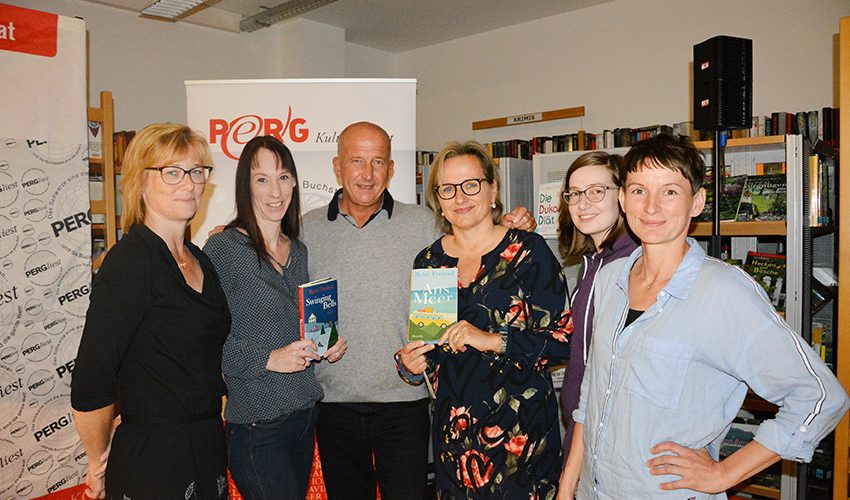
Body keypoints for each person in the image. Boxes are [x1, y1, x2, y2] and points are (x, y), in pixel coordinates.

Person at [558, 133, 850, 499]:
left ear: (696, 202)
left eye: (669, 192)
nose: (651, 207)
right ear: (623, 200)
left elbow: (820, 396)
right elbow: (591, 395)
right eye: (638, 191)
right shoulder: (610, 279)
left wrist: (723, 474)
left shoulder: (724, 292)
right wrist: (568, 485)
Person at [301, 122, 536, 499]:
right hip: (332, 405)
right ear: (337, 166)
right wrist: (234, 235)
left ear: (391, 169)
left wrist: (507, 226)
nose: (367, 174)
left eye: (378, 161)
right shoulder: (306, 229)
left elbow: (474, 244)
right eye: (356, 161)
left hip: (407, 403)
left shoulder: (425, 224)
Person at [397, 141, 572, 498]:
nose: (460, 197)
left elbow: (564, 342)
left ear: (492, 190)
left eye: (471, 184)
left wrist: (492, 339)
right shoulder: (429, 262)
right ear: (438, 200)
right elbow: (432, 349)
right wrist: (410, 365)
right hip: (456, 442)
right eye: (448, 188)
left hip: (521, 440)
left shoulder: (529, 252)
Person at [71, 123, 230, 500]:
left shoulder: (202, 261)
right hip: (152, 457)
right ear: (140, 183)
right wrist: (98, 460)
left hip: (207, 444)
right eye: (172, 172)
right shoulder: (130, 262)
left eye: (196, 171)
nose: (189, 184)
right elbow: (92, 380)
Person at [203, 136, 348, 500]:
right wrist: (269, 359)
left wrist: (325, 342)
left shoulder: (298, 251)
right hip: (257, 427)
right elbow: (204, 342)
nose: (275, 191)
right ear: (246, 186)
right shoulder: (224, 249)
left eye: (283, 177)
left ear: (294, 182)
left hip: (303, 418)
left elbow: (295, 326)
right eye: (262, 179)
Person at [555, 152, 638, 469]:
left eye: (596, 191)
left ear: (623, 195)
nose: (583, 203)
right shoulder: (592, 263)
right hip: (583, 429)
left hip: (614, 440)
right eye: (574, 194)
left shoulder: (633, 263)